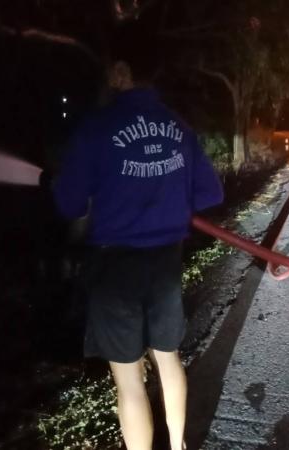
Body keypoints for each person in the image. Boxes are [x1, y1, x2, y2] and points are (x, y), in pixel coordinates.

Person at [52, 59, 224, 450]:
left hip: (114, 269)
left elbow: (69, 203)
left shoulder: (97, 127)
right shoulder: (177, 125)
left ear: (119, 73)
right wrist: (168, 200)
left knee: (129, 380)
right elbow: (211, 193)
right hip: (165, 264)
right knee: (168, 358)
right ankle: (178, 445)